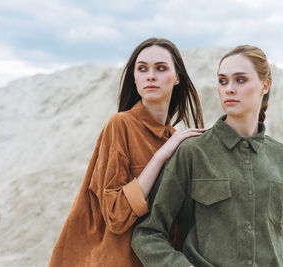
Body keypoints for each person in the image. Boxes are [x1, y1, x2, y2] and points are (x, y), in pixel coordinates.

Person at [132, 45, 283, 267]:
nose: (229, 89)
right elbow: (147, 233)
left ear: (265, 86)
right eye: (223, 81)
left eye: (240, 80)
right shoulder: (193, 152)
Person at [49, 37, 205, 267]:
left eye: (160, 68)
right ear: (134, 77)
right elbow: (116, 215)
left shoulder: (177, 139)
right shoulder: (120, 125)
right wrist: (161, 156)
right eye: (142, 69)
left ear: (176, 77)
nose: (150, 75)